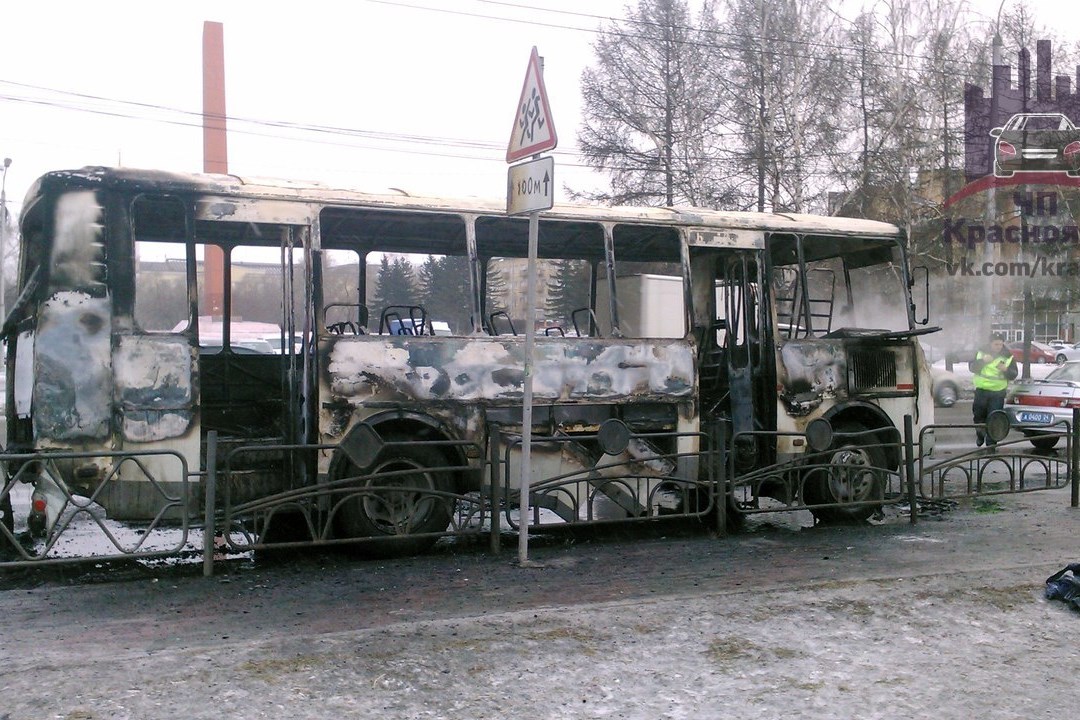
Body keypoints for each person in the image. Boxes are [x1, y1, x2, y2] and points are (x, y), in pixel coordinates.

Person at [969, 333, 1018, 447]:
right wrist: (983, 361)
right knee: (979, 415)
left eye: (1000, 344)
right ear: (990, 343)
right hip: (982, 390)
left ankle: (991, 443)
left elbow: (1013, 374)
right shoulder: (981, 353)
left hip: (998, 392)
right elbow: (972, 368)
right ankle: (980, 434)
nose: (998, 346)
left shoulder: (1007, 356)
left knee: (994, 417)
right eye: (996, 344)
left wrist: (1005, 369)